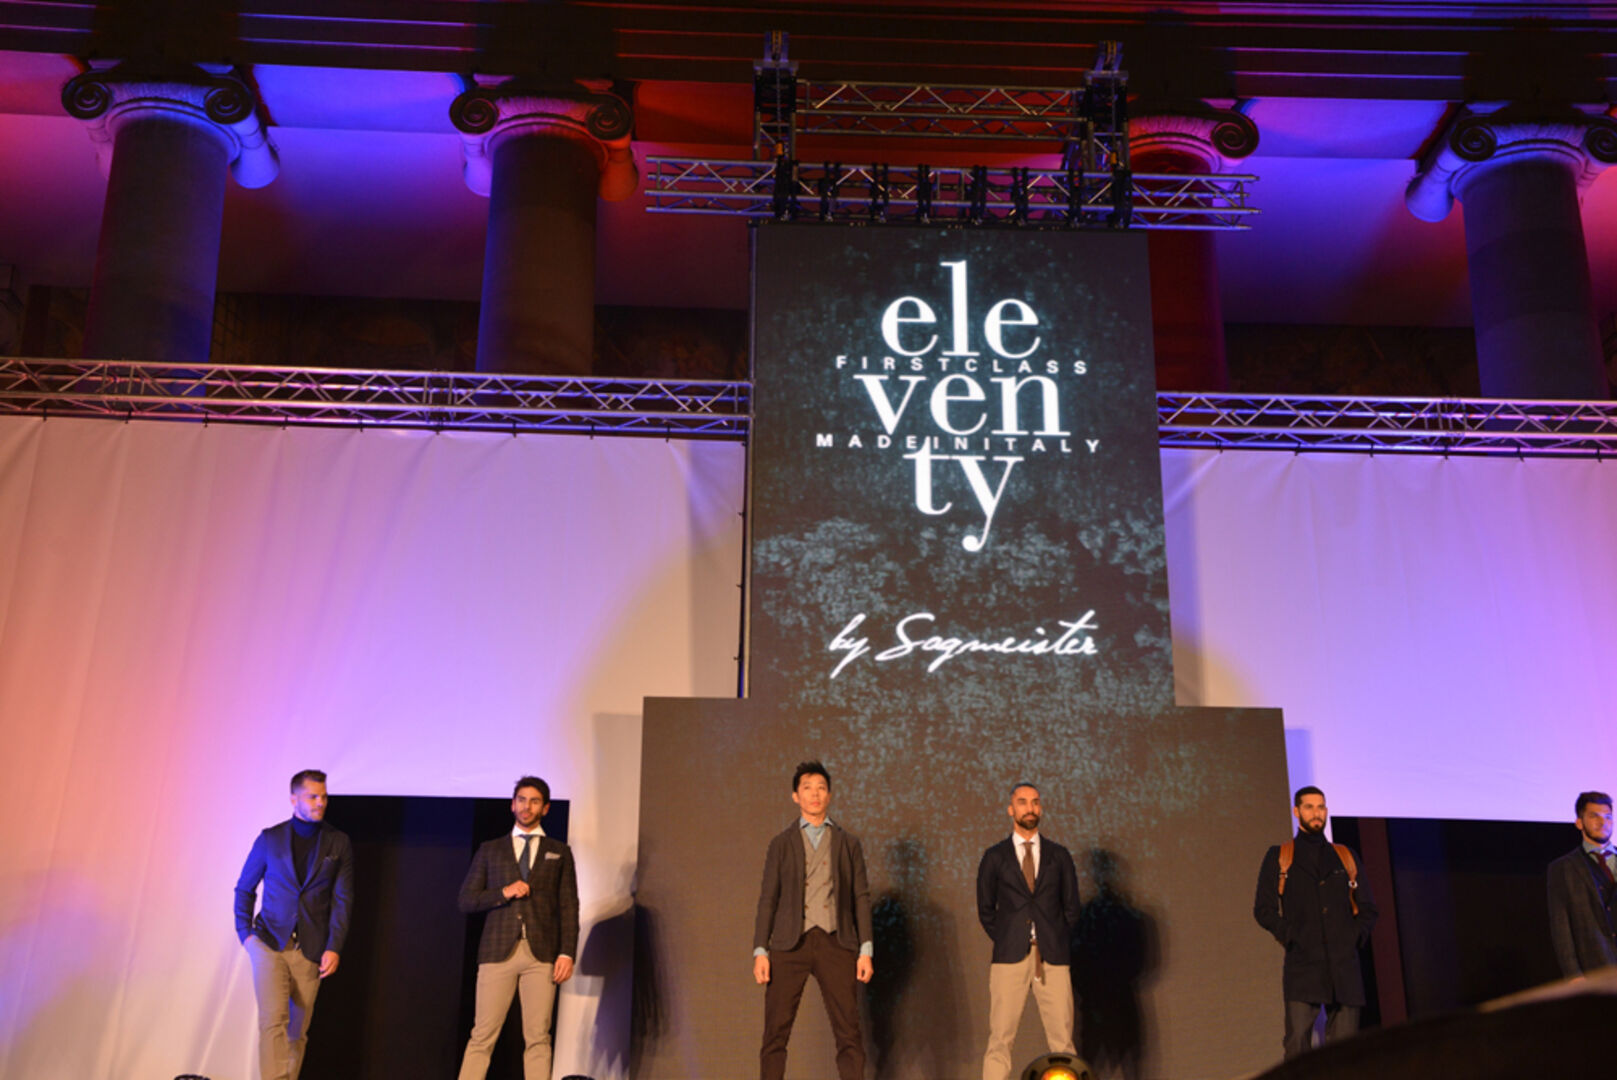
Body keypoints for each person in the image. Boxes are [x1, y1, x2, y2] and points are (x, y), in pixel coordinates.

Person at [753, 760, 874, 1080]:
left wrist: (865, 949)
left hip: (836, 942)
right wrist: (760, 950)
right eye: (807, 788)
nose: (815, 794)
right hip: (789, 945)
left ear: (829, 795)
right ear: (796, 796)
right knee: (775, 1032)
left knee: (848, 1032)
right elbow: (768, 899)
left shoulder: (848, 843)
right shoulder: (781, 844)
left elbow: (861, 897)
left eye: (821, 788)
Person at [233, 768, 355, 1080]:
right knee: (273, 1021)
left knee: (297, 1033)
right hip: (269, 942)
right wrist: (245, 935)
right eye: (312, 797)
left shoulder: (338, 843)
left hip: (311, 948)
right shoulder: (270, 839)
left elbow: (343, 900)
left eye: (323, 796)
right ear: (293, 799)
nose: (320, 803)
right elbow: (245, 889)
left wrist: (334, 946)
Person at [457, 776, 579, 1080]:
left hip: (541, 954)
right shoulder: (491, 849)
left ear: (545, 808)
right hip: (497, 952)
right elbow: (466, 900)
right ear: (512, 805)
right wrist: (503, 892)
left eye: (534, 801)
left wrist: (566, 953)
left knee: (538, 1037)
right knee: (482, 1034)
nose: (527, 806)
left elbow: (569, 906)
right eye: (522, 800)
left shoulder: (559, 851)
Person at [1253, 785, 1378, 1060]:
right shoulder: (1280, 856)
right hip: (1303, 966)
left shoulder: (1345, 856)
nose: (1316, 813)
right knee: (1297, 1045)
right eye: (1309, 807)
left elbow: (1368, 908)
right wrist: (1291, 936)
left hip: (1344, 967)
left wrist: (1353, 937)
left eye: (1320, 807)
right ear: (1296, 811)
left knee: (1345, 1053)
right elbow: (1263, 909)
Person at [976, 782, 1082, 1080]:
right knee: (1000, 1039)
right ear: (1011, 809)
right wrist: (1010, 937)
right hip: (1010, 957)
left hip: (1052, 957)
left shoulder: (1059, 855)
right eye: (1022, 802)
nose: (1030, 808)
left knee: (1062, 1041)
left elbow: (1072, 907)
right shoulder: (995, 857)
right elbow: (986, 909)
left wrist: (1053, 937)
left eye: (1035, 802)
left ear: (1041, 808)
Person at [1546, 790, 1617, 980]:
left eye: (1608, 817)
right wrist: (1573, 975)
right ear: (1579, 822)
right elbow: (1561, 926)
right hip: (1594, 971)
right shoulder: (1563, 868)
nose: (1603, 822)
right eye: (1594, 816)